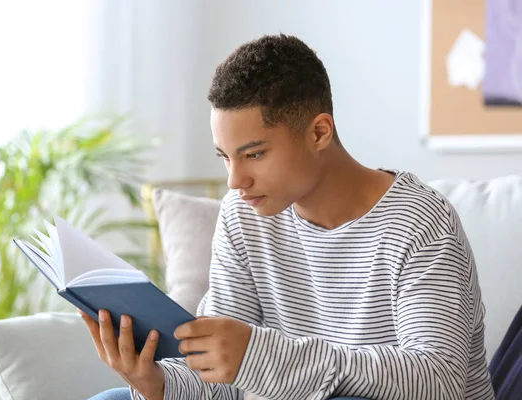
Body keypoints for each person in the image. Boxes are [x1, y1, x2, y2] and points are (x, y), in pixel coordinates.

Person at [81, 34, 495, 400]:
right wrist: (155, 384)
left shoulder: (420, 221)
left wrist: (259, 356)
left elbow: (438, 381)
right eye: (225, 157)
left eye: (254, 154)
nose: (235, 180)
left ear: (319, 132)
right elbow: (222, 385)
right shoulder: (244, 217)